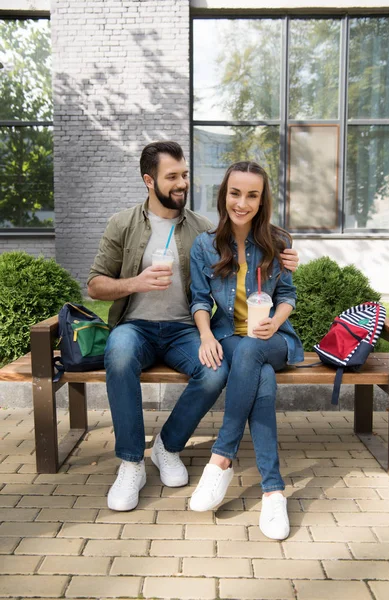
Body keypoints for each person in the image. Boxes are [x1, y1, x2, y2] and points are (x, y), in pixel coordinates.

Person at [87, 141, 300, 512]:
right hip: (134, 326)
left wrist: (287, 257)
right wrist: (135, 282)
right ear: (149, 181)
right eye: (173, 177)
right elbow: (94, 285)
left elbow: (264, 266)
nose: (182, 183)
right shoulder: (122, 224)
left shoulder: (203, 231)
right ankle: (132, 462)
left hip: (182, 329)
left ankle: (168, 447)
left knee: (215, 371)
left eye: (185, 175)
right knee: (118, 354)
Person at [188, 161, 304, 540]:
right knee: (261, 378)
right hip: (233, 340)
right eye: (235, 193)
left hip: (275, 339)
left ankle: (221, 460)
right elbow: (200, 301)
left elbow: (287, 295)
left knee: (257, 351)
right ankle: (273, 491)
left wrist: (275, 318)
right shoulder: (205, 245)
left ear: (261, 199)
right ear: (224, 195)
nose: (242, 202)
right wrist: (206, 336)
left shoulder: (277, 242)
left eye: (252, 195)